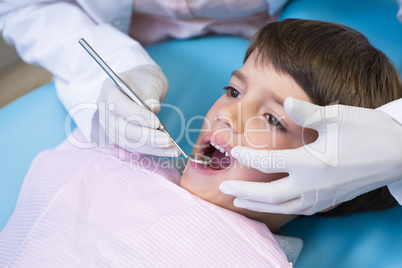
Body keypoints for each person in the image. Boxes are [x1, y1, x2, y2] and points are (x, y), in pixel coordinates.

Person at [1, 19, 401, 267]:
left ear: (335, 181)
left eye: (273, 119)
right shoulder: (118, 152)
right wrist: (120, 81)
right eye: (233, 90)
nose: (230, 114)